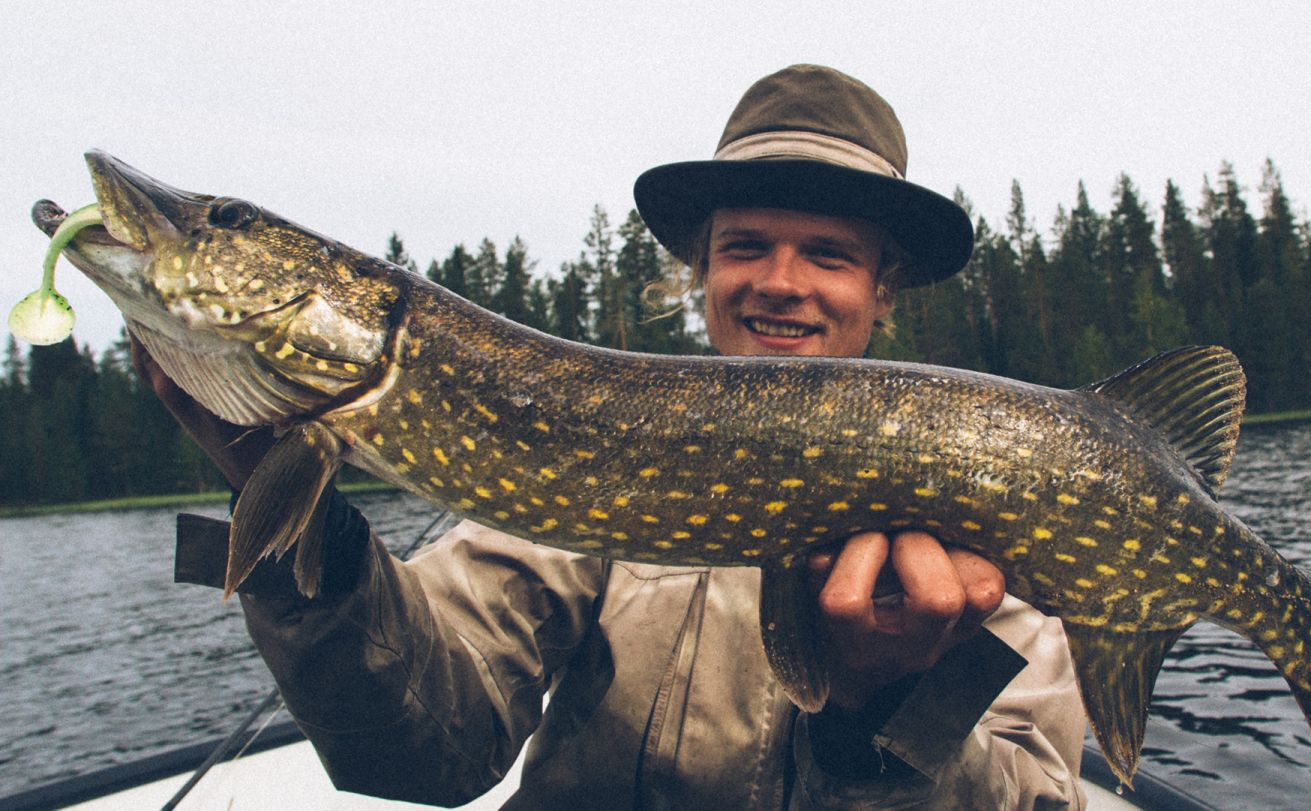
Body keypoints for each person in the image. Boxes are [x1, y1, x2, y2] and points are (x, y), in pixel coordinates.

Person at [145, 64, 1087, 808]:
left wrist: (884, 708)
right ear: (703, 273)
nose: (779, 281)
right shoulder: (582, 470)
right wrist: (291, 516)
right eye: (745, 245)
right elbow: (424, 749)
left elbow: (1040, 800)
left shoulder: (998, 558)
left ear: (882, 291)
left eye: (829, 254)